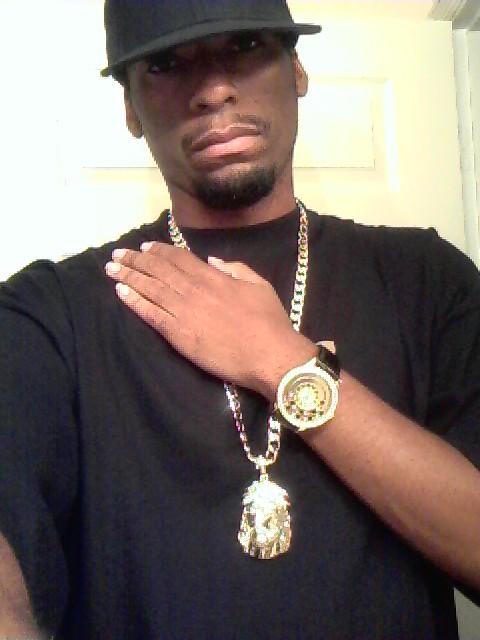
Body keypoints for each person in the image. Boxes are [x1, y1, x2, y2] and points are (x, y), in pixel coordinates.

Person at [0, 0, 479, 637]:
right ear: (130, 110)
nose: (214, 90)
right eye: (166, 63)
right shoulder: (50, 311)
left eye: (247, 45)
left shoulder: (427, 278)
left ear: (297, 71)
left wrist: (279, 360)